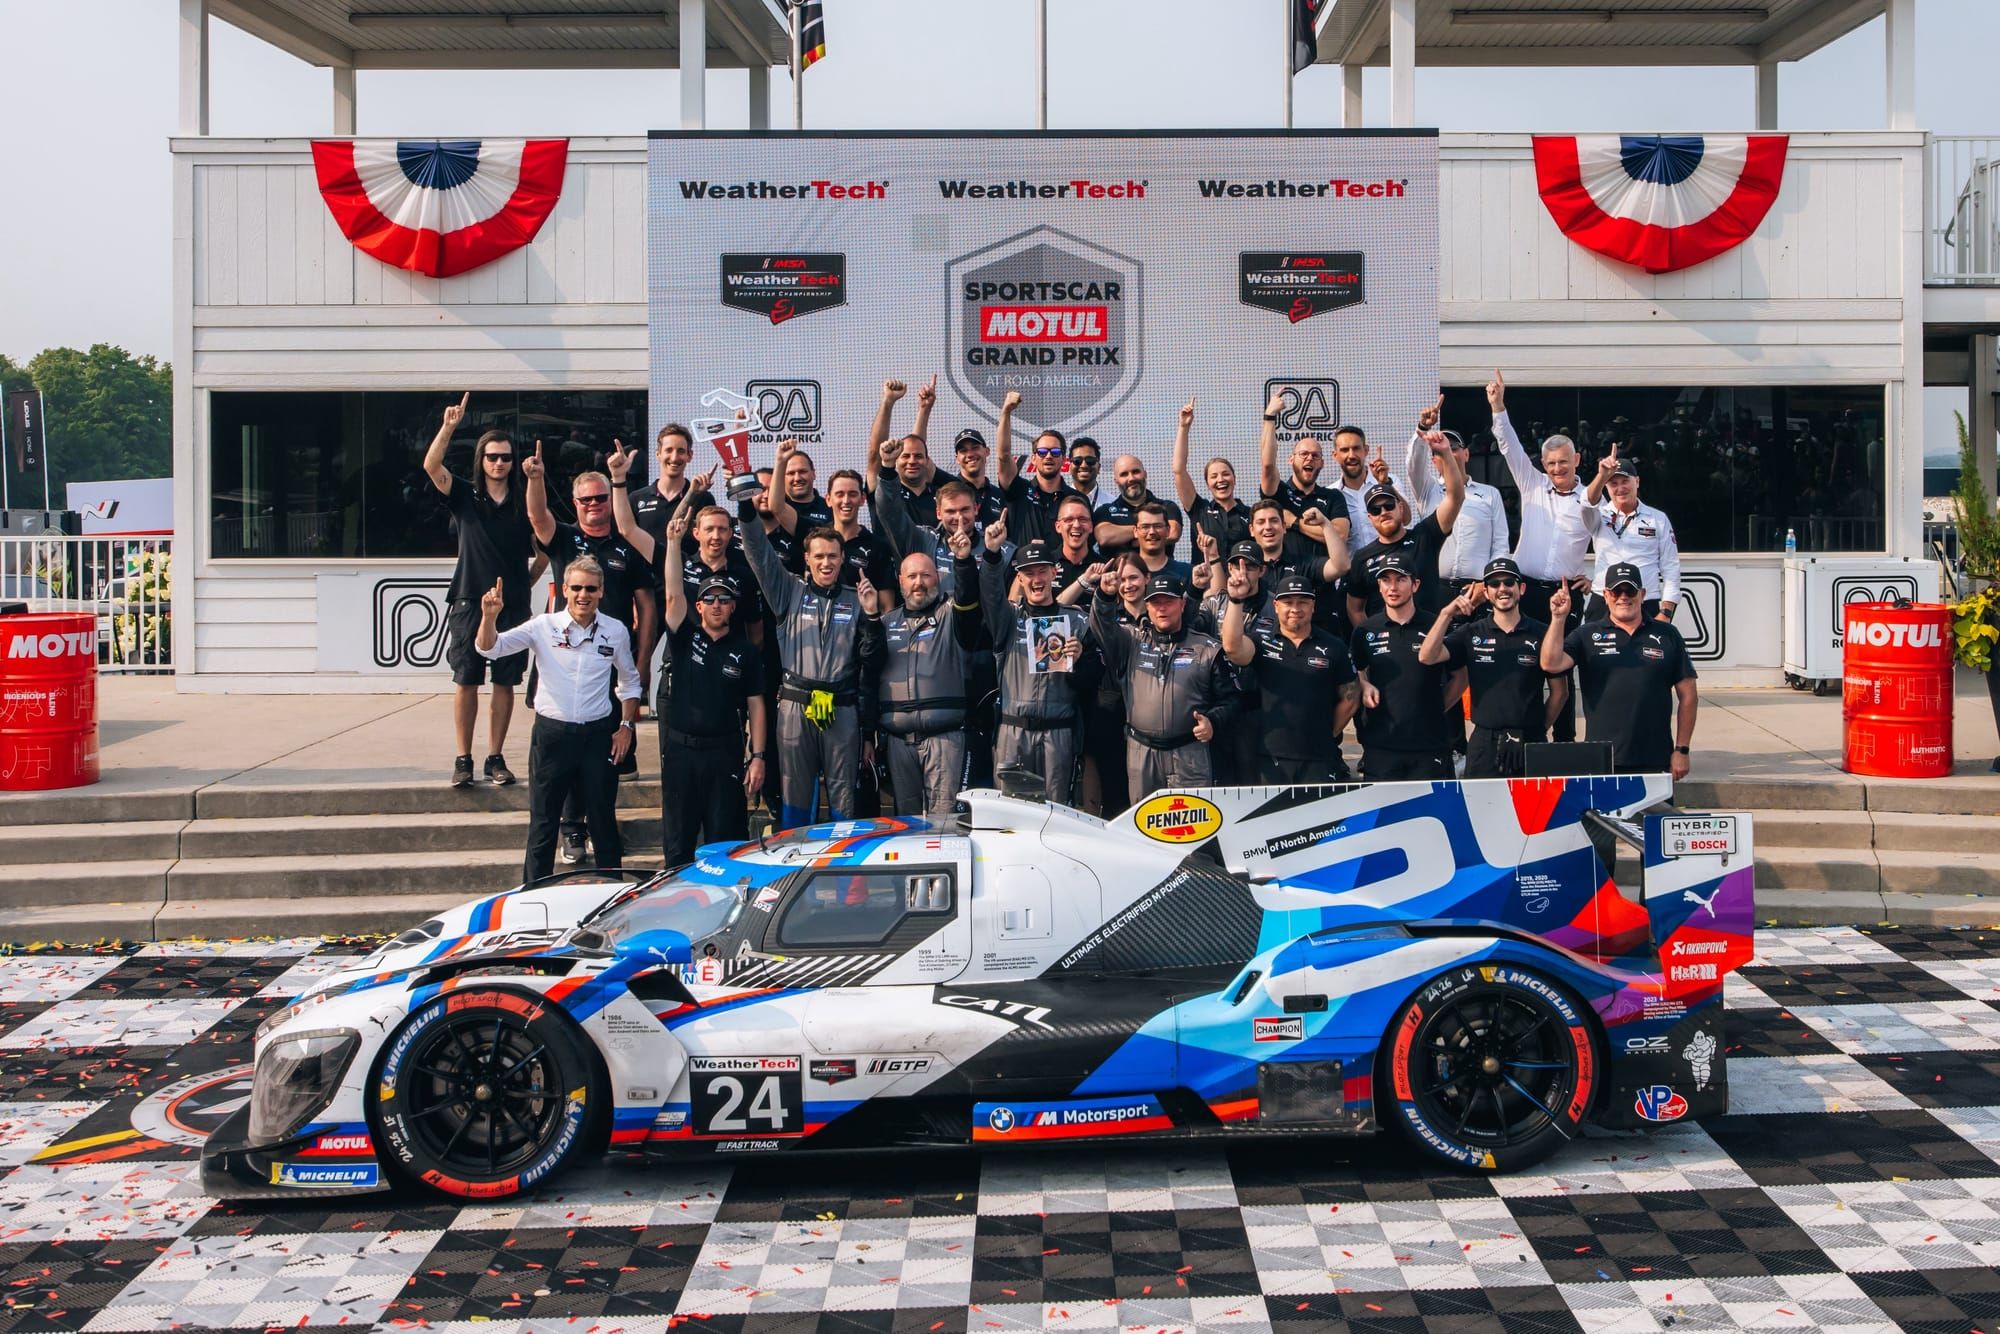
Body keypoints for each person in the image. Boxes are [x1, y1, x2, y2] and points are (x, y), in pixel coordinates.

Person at [735, 441, 884, 828]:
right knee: (796, 797)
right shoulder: (788, 590)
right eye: (819, 556)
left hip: (843, 710)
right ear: (807, 559)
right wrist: (745, 505)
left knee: (844, 799)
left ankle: (843, 863)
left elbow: (872, 662)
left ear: (842, 559)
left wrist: (871, 617)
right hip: (796, 708)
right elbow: (757, 551)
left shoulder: (856, 599)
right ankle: (795, 862)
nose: (826, 563)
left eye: (832, 556)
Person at [525, 443, 655, 865]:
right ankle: (571, 829)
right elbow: (537, 517)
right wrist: (535, 479)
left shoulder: (627, 543)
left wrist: (642, 662)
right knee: (565, 741)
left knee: (604, 757)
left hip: (612, 662)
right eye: (586, 500)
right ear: (576, 502)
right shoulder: (563, 537)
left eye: (601, 497)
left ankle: (602, 829)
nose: (595, 505)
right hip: (564, 660)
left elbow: (647, 607)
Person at [475, 557, 639, 884]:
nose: (583, 595)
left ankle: (612, 894)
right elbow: (490, 648)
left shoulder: (615, 630)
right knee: (543, 822)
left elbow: (630, 682)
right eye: (576, 588)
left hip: (597, 737)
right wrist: (489, 617)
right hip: (552, 736)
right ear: (564, 589)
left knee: (603, 821)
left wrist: (626, 727)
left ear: (601, 591)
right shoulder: (543, 626)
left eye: (590, 589)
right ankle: (534, 895)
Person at [422, 394, 536, 788]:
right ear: (481, 460)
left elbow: (545, 546)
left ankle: (495, 758)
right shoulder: (464, 495)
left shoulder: (524, 501)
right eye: (492, 457)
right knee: (466, 680)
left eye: (505, 457)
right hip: (469, 599)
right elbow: (431, 466)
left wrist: (528, 580)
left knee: (505, 682)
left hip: (513, 605)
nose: (499, 463)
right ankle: (463, 759)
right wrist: (448, 427)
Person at [651, 506, 768, 864]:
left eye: (725, 600)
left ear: (734, 607)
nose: (718, 605)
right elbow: (674, 596)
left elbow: (756, 705)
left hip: (725, 752)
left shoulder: (745, 651)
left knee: (725, 841)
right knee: (678, 842)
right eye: (710, 600)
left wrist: (758, 757)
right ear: (699, 606)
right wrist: (673, 544)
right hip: (682, 752)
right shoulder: (683, 637)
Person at [1489, 369, 1595, 742]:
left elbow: (1614, 542)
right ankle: (1526, 736)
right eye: (1550, 464)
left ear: (1576, 459)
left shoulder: (1591, 499)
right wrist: (1498, 406)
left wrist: (1595, 579)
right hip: (1528, 592)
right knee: (1526, 668)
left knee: (1562, 671)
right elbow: (1509, 446)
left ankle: (1564, 743)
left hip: (1565, 595)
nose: (1556, 469)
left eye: (1563, 462)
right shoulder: (1532, 484)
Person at [1541, 563, 1696, 779]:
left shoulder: (1668, 634)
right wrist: (1558, 619)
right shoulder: (1586, 634)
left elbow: (1688, 695)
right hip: (1601, 758)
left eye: (1630, 591)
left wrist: (1682, 750)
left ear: (1642, 594)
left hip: (1655, 757)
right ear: (1606, 596)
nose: (1623, 597)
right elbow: (1551, 663)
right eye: (1616, 591)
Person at [1090, 571, 1240, 793]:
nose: (1162, 608)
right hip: (1141, 753)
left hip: (1189, 753)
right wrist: (1104, 596)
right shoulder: (1130, 641)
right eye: (1155, 603)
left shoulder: (1208, 650)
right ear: (1147, 607)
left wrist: (1213, 722)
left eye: (1168, 601)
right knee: (1143, 815)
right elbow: (1102, 627)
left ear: (1182, 604)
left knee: (1190, 815)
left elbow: (1232, 699)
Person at [1419, 557, 1566, 779]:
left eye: (1509, 582)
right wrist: (1446, 614)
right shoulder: (1471, 633)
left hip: (1530, 739)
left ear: (1521, 589)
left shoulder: (1542, 632)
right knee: (1478, 801)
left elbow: (1560, 692)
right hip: (1485, 742)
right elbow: (1427, 656)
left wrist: (1537, 731)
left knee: (1535, 803)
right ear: (1486, 593)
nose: (1502, 589)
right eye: (1494, 584)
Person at [873, 536, 984, 815]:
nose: (919, 583)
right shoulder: (885, 623)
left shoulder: (951, 614)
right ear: (900, 581)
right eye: (912, 576)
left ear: (938, 577)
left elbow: (968, 598)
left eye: (925, 575)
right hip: (899, 742)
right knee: (906, 824)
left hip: (944, 739)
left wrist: (963, 561)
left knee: (944, 823)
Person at [1222, 572, 1360, 784]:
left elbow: (1350, 697)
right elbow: (1232, 648)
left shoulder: (1334, 646)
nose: (1295, 609)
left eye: (1303, 602)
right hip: (1270, 758)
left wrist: (1326, 733)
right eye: (1288, 602)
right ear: (1276, 606)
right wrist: (1235, 600)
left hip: (1320, 759)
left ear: (1313, 606)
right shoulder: (1261, 643)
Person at [983, 536, 1086, 801]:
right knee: (1012, 812)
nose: (1036, 579)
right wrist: (992, 554)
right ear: (1019, 578)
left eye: (1042, 571)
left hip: (1058, 734)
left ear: (1054, 572)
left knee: (1057, 812)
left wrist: (1080, 661)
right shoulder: (1008, 617)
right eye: (1029, 573)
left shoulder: (1077, 620)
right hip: (1013, 733)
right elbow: (991, 594)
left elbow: (1095, 680)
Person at [1351, 551, 1459, 781]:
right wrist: (1364, 684)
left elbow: (1461, 675)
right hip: (1382, 745)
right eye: (1386, 580)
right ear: (1379, 586)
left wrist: (1437, 706)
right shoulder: (1365, 629)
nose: (1393, 587)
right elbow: (1355, 671)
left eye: (1400, 579)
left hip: (1430, 745)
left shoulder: (1436, 625)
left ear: (1415, 585)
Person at [1346, 431, 1466, 624]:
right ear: (1370, 518)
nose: (1383, 512)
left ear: (1401, 508)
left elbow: (1456, 497)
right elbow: (1355, 609)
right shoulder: (1362, 557)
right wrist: (1368, 637)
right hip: (1384, 641)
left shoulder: (1425, 536)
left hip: (1427, 636)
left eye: (1389, 505)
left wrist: (1445, 453)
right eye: (1375, 509)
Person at [1406, 397, 1509, 588]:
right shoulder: (1428, 489)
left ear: (1466, 454)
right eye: (1440, 450)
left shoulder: (1490, 494)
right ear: (1433, 461)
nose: (1447, 452)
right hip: (1435, 586)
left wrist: (1490, 583)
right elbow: (1414, 465)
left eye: (1453, 447)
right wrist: (1423, 427)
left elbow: (1500, 544)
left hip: (1477, 589)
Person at [1583, 447, 1681, 623]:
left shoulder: (1658, 518)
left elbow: (1671, 566)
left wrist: (1666, 612)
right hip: (1604, 601)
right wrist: (1601, 476)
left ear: (1637, 481)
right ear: (1606, 487)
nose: (1620, 488)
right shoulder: (1598, 515)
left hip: (1645, 601)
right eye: (1613, 483)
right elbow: (1587, 503)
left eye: (1625, 481)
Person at [1171, 398, 1251, 587]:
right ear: (1207, 484)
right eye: (1214, 476)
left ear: (1234, 478)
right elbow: (1179, 470)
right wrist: (1183, 427)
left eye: (1226, 474)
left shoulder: (1251, 514)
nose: (1221, 480)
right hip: (1206, 590)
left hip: (1242, 588)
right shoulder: (1199, 509)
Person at [998, 392, 1081, 548]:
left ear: (1064, 459)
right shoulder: (1018, 490)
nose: (1048, 456)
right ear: (1033, 459)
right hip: (1022, 564)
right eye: (1042, 452)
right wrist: (1006, 412)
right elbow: (1004, 455)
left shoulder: (1076, 498)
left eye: (1055, 452)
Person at [628, 422, 716, 557]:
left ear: (689, 455)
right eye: (668, 450)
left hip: (688, 570)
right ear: (658, 454)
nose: (674, 458)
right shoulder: (636, 499)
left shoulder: (703, 498)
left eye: (681, 451)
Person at [867, 377, 940, 525]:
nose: (912, 461)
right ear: (895, 460)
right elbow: (875, 455)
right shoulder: (885, 492)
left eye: (918, 456)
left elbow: (916, 444)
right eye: (905, 456)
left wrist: (924, 410)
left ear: (927, 461)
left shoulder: (940, 496)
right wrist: (888, 402)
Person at [1094, 455, 1184, 557]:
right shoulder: (1105, 511)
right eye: (1124, 474)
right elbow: (1104, 537)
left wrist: (1125, 540)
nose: (1131, 478)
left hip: (1162, 568)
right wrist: (1153, 532)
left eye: (1136, 472)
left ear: (1145, 474)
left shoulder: (1167, 507)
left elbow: (1173, 533)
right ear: (1116, 481)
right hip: (1118, 568)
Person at [1068, 437, 1106, 511]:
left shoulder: (1111, 503)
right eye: (1077, 460)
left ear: (1099, 467)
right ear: (1070, 467)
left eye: (1090, 460)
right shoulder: (1058, 502)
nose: (1084, 465)